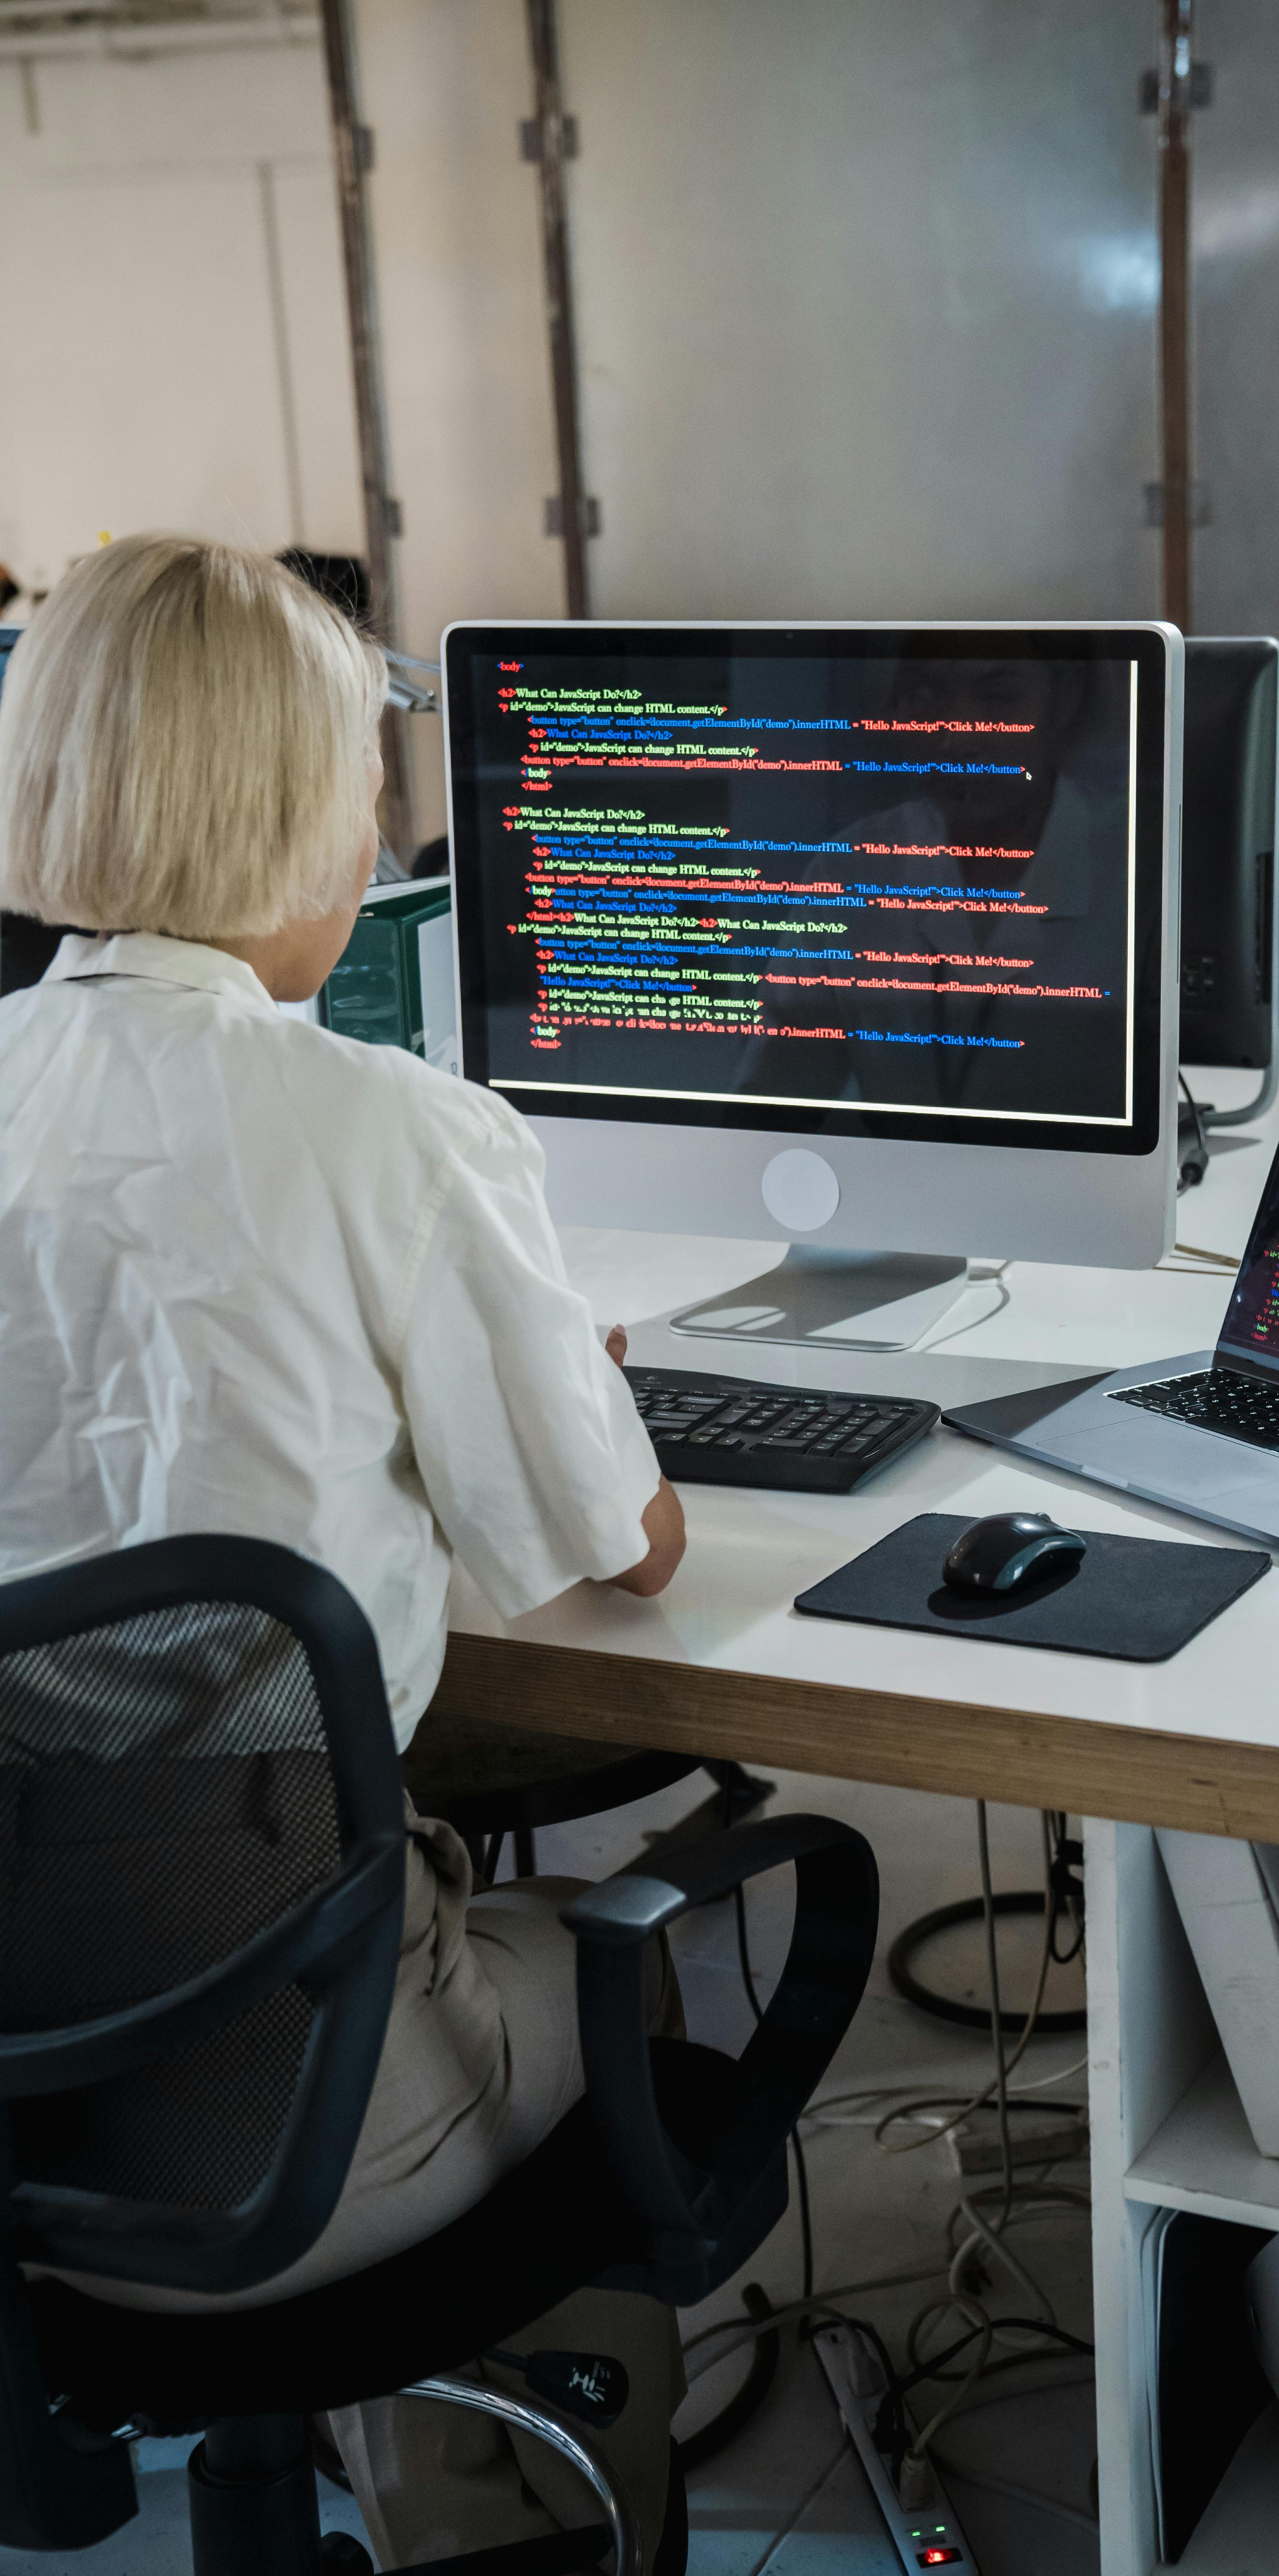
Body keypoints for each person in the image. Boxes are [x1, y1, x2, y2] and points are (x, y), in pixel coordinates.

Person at [0, 534, 689, 2568]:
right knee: (671, 1950)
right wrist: (553, 1362)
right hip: (298, 2136)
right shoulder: (385, 1126)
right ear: (311, 809)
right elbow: (618, 1553)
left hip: (32, 2094)